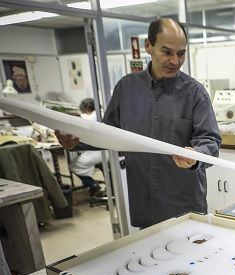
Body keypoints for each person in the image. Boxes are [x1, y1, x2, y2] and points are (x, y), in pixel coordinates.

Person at [56, 18, 221, 228]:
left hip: (182, 203)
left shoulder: (195, 93)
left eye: (181, 53)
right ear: (148, 46)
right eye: (167, 52)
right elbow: (109, 132)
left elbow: (210, 141)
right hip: (144, 200)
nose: (175, 61)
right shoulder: (126, 88)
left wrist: (195, 156)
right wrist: (76, 141)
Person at [69, 98, 104, 198]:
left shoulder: (92, 117)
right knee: (82, 161)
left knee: (74, 166)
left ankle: (94, 186)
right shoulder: (102, 113)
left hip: (99, 153)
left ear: (88, 108)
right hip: (108, 152)